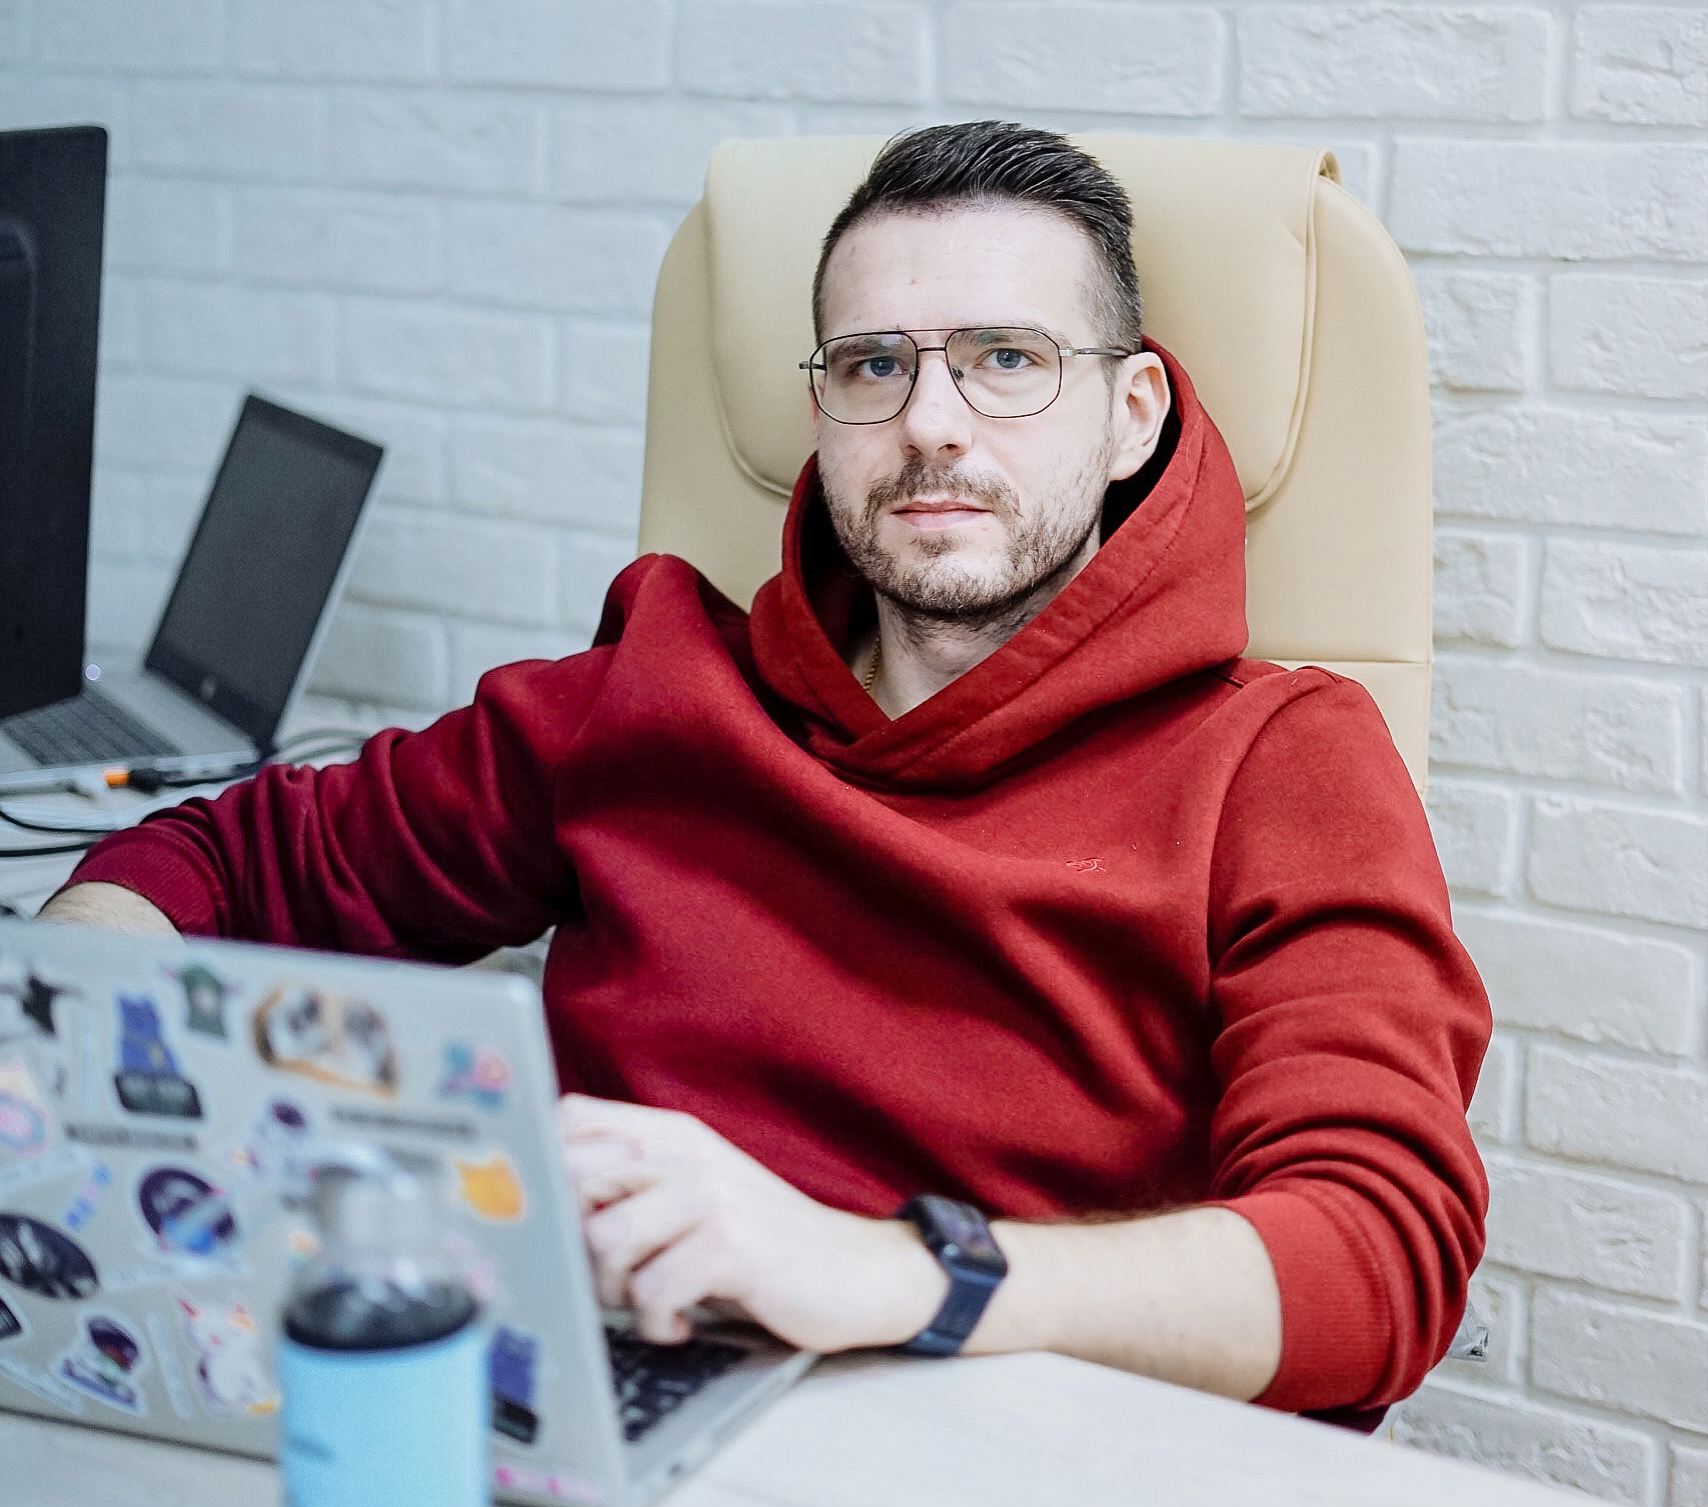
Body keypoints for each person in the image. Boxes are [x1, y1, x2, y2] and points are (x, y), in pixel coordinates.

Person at [43, 122, 1490, 1428]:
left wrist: (893, 1272)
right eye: (874, 365)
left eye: (1007, 359)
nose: (932, 421)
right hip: (611, 1415)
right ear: (822, 414)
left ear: (1133, 414)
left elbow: (1377, 1258)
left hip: (1030, 1471)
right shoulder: (655, 686)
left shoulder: (1280, 760)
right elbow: (221, 865)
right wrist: (55, 1040)